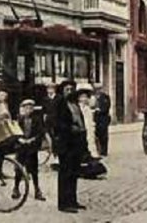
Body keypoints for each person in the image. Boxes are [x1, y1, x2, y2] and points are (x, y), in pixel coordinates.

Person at [55, 80, 87, 213]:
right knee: (65, 174)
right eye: (67, 89)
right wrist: (70, 128)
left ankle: (72, 200)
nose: (69, 91)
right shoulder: (60, 104)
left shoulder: (75, 104)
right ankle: (64, 203)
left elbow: (81, 121)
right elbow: (56, 123)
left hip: (76, 143)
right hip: (66, 144)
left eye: (71, 89)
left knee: (74, 173)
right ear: (62, 91)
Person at [13, 99, 46, 201]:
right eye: (26, 108)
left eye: (30, 108)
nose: (28, 110)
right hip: (21, 147)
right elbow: (14, 132)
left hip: (31, 148)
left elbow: (41, 133)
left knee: (34, 170)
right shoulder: (19, 119)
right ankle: (16, 189)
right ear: (23, 109)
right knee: (18, 169)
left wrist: (32, 140)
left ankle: (37, 190)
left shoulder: (37, 119)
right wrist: (20, 139)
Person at [77, 84, 99, 159]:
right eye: (82, 97)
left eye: (85, 97)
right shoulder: (78, 107)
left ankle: (92, 154)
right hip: (81, 127)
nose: (84, 99)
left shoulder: (88, 108)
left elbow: (91, 119)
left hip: (88, 127)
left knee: (90, 140)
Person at [93, 84, 112, 157]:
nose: (98, 91)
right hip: (97, 119)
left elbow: (106, 106)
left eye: (99, 89)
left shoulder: (105, 97)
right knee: (97, 135)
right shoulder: (93, 97)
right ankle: (99, 150)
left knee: (104, 135)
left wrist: (100, 110)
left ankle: (104, 151)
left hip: (103, 118)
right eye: (96, 89)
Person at [42, 83, 59, 162]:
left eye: (52, 88)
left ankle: (57, 155)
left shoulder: (58, 98)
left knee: (57, 138)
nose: (50, 90)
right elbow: (44, 111)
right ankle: (53, 154)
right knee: (50, 137)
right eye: (48, 88)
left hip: (57, 121)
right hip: (49, 121)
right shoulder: (45, 99)